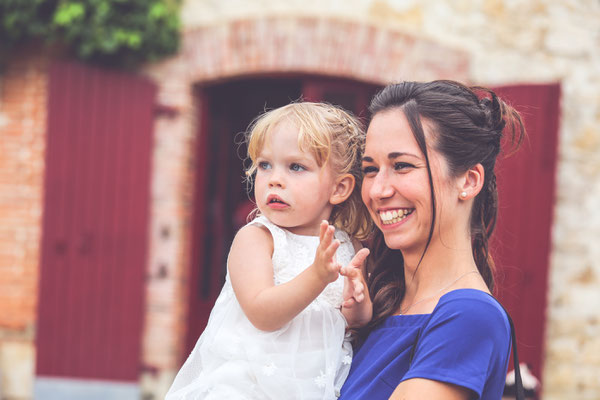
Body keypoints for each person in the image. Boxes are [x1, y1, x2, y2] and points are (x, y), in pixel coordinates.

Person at [166, 102, 373, 400]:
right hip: (247, 386)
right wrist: (316, 277)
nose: (274, 179)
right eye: (264, 165)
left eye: (296, 167)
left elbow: (354, 325)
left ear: (339, 188)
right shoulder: (258, 239)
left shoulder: (347, 246)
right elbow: (263, 314)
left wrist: (358, 307)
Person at [339, 80, 526, 400]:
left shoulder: (468, 314)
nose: (378, 190)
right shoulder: (373, 305)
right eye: (370, 169)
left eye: (402, 166)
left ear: (468, 180)